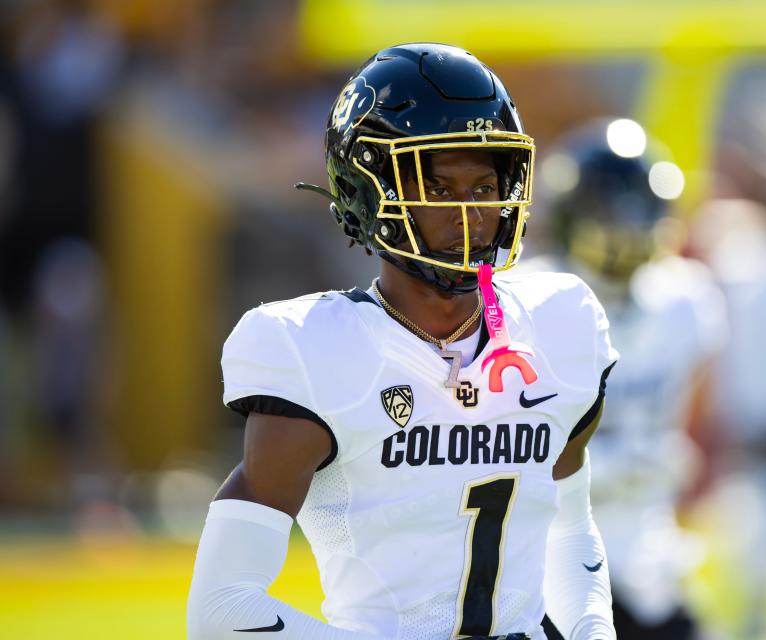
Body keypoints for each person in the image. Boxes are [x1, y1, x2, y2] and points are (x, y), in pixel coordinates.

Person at [187, 43, 618, 640]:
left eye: (485, 185)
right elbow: (222, 610)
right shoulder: (311, 350)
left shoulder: (559, 324)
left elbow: (570, 530)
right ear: (366, 191)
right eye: (437, 187)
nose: (469, 212)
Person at [526, 119, 726, 639]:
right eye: (613, 211)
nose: (628, 227)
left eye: (638, 211)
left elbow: (695, 413)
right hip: (552, 556)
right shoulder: (526, 302)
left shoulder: (685, 300)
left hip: (648, 548)